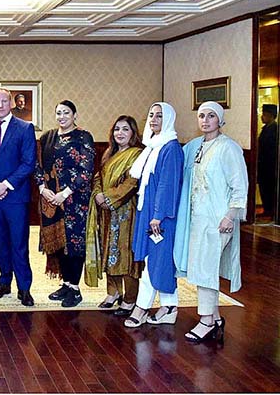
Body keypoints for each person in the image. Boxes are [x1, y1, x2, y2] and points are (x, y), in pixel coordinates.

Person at [174, 101, 247, 344]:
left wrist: (230, 215)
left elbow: (240, 186)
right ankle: (214, 318)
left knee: (206, 267)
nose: (205, 120)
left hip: (219, 220)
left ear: (220, 120)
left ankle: (205, 320)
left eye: (211, 116)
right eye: (202, 115)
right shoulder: (196, 147)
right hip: (198, 219)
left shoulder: (229, 148)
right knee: (200, 267)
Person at [124, 102, 184, 328]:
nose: (154, 120)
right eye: (151, 115)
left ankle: (141, 307)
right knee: (153, 259)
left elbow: (167, 185)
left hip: (161, 216)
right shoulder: (152, 146)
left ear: (168, 119)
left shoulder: (170, 148)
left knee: (156, 261)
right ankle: (169, 308)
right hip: (148, 210)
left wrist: (158, 215)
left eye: (159, 116)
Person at [0, 87, 37, 306]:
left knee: (19, 244)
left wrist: (6, 185)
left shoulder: (25, 128)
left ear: (11, 103)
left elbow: (28, 162)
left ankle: (24, 287)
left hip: (15, 197)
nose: (0, 105)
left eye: (4, 101)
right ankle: (4, 282)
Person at [35, 100, 95, 308]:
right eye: (58, 113)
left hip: (74, 201)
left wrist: (65, 193)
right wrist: (43, 189)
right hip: (51, 201)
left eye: (66, 113)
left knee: (73, 244)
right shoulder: (47, 137)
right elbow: (37, 165)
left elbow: (86, 171)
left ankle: (75, 289)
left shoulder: (83, 137)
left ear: (75, 115)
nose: (62, 116)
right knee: (59, 243)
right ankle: (66, 284)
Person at [85, 115, 144, 316]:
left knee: (125, 255)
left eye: (125, 129)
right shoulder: (109, 154)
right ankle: (113, 292)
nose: (120, 133)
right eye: (117, 129)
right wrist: (98, 194)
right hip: (106, 212)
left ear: (133, 133)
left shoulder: (137, 154)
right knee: (108, 250)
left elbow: (132, 182)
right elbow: (98, 177)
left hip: (126, 211)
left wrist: (109, 198)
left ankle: (130, 298)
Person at [257, 104, 277, 218]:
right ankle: (267, 210)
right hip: (263, 166)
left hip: (270, 166)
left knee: (269, 189)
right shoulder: (266, 129)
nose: (262, 117)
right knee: (264, 188)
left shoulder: (274, 129)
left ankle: (271, 211)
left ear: (270, 116)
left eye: (264, 115)